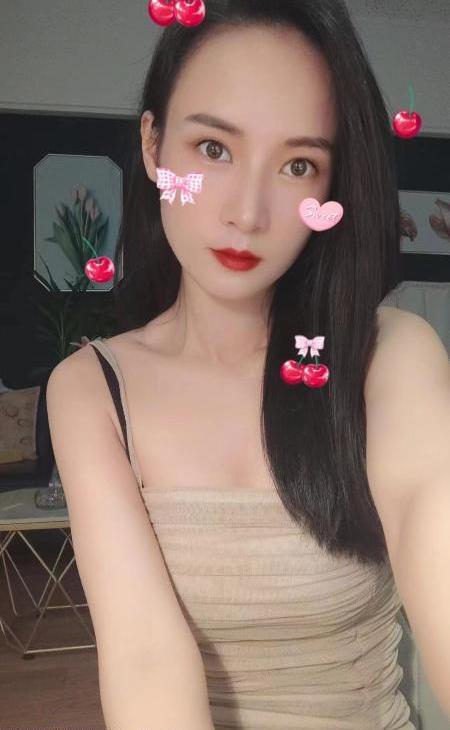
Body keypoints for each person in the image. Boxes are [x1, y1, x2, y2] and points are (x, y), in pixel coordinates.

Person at [46, 1, 450, 728]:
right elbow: (145, 661)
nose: (249, 213)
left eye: (298, 165)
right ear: (153, 147)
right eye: (213, 149)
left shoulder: (389, 357)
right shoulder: (91, 389)